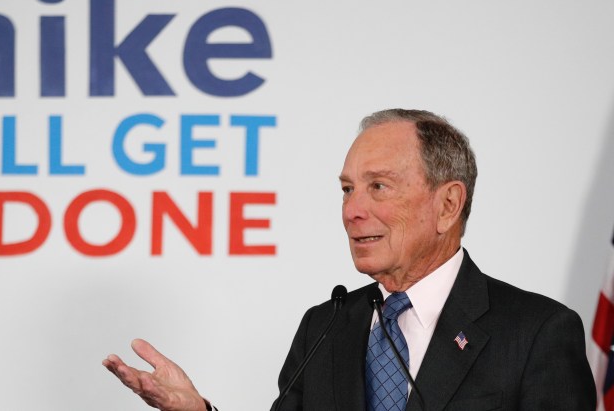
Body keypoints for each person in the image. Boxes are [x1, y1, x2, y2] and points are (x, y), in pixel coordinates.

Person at [103, 109, 596, 411]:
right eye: (346, 189)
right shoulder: (326, 328)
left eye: (378, 186)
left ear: (447, 204)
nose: (352, 210)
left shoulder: (536, 332)